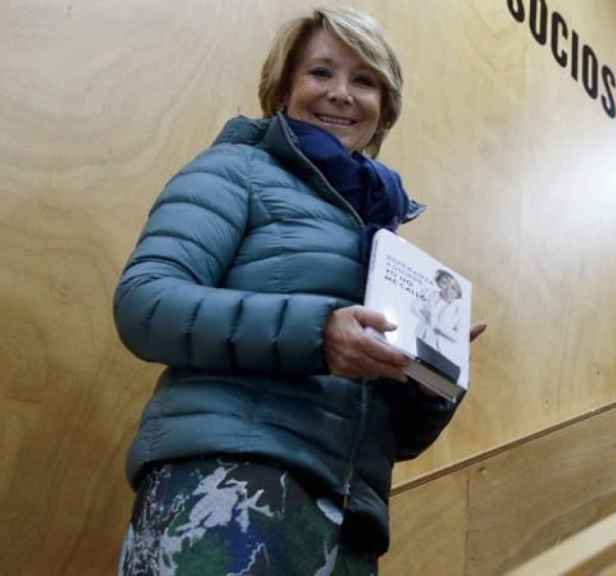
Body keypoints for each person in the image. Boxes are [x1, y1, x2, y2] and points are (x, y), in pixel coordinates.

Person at [114, 7, 484, 574]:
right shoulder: (235, 169)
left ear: (384, 107)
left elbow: (398, 440)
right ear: (283, 87)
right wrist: (320, 332)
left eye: (364, 80)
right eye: (320, 73)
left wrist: (433, 376)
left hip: (349, 520)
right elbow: (145, 304)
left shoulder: (381, 235)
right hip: (229, 482)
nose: (341, 93)